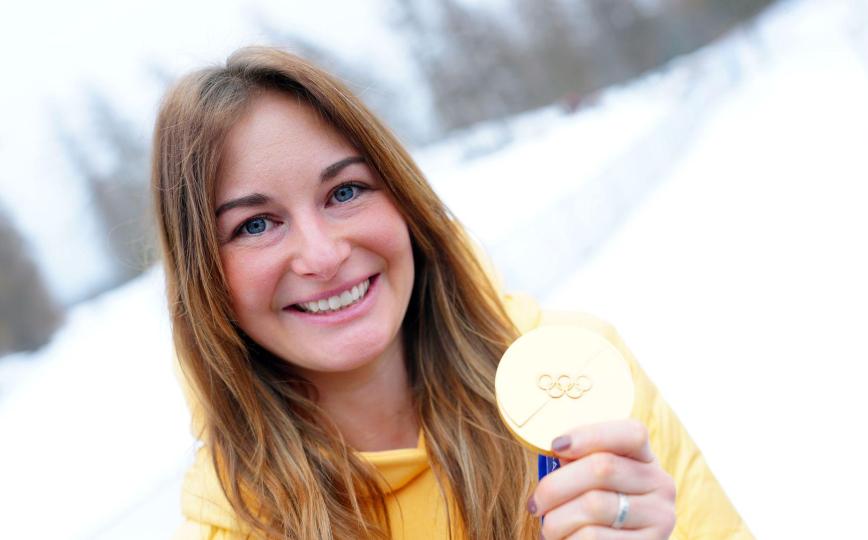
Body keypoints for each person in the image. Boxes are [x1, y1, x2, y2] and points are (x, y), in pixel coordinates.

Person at [154, 46, 751, 540]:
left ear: (404, 198)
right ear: (204, 279)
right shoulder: (232, 526)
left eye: (345, 192)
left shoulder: (572, 381)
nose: (323, 254)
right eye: (254, 225)